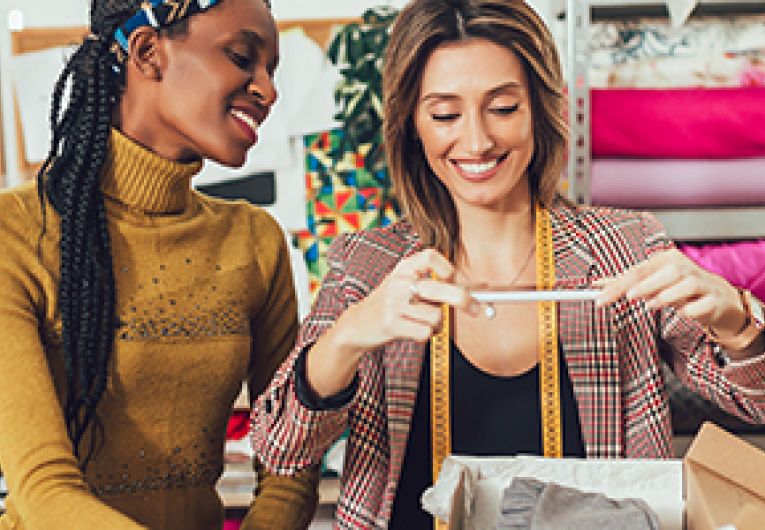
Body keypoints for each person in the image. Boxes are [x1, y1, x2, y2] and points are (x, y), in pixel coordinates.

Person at [250, 0, 765, 527]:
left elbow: (757, 405)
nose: (476, 140)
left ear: (541, 109)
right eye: (445, 114)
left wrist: (738, 321)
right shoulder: (369, 265)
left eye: (502, 108)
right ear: (411, 125)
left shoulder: (625, 247)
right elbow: (279, 451)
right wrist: (348, 337)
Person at [0, 1, 319, 529]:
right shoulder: (15, 233)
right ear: (148, 52)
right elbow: (43, 487)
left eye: (272, 70)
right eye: (242, 57)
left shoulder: (255, 242)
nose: (267, 89)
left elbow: (290, 461)